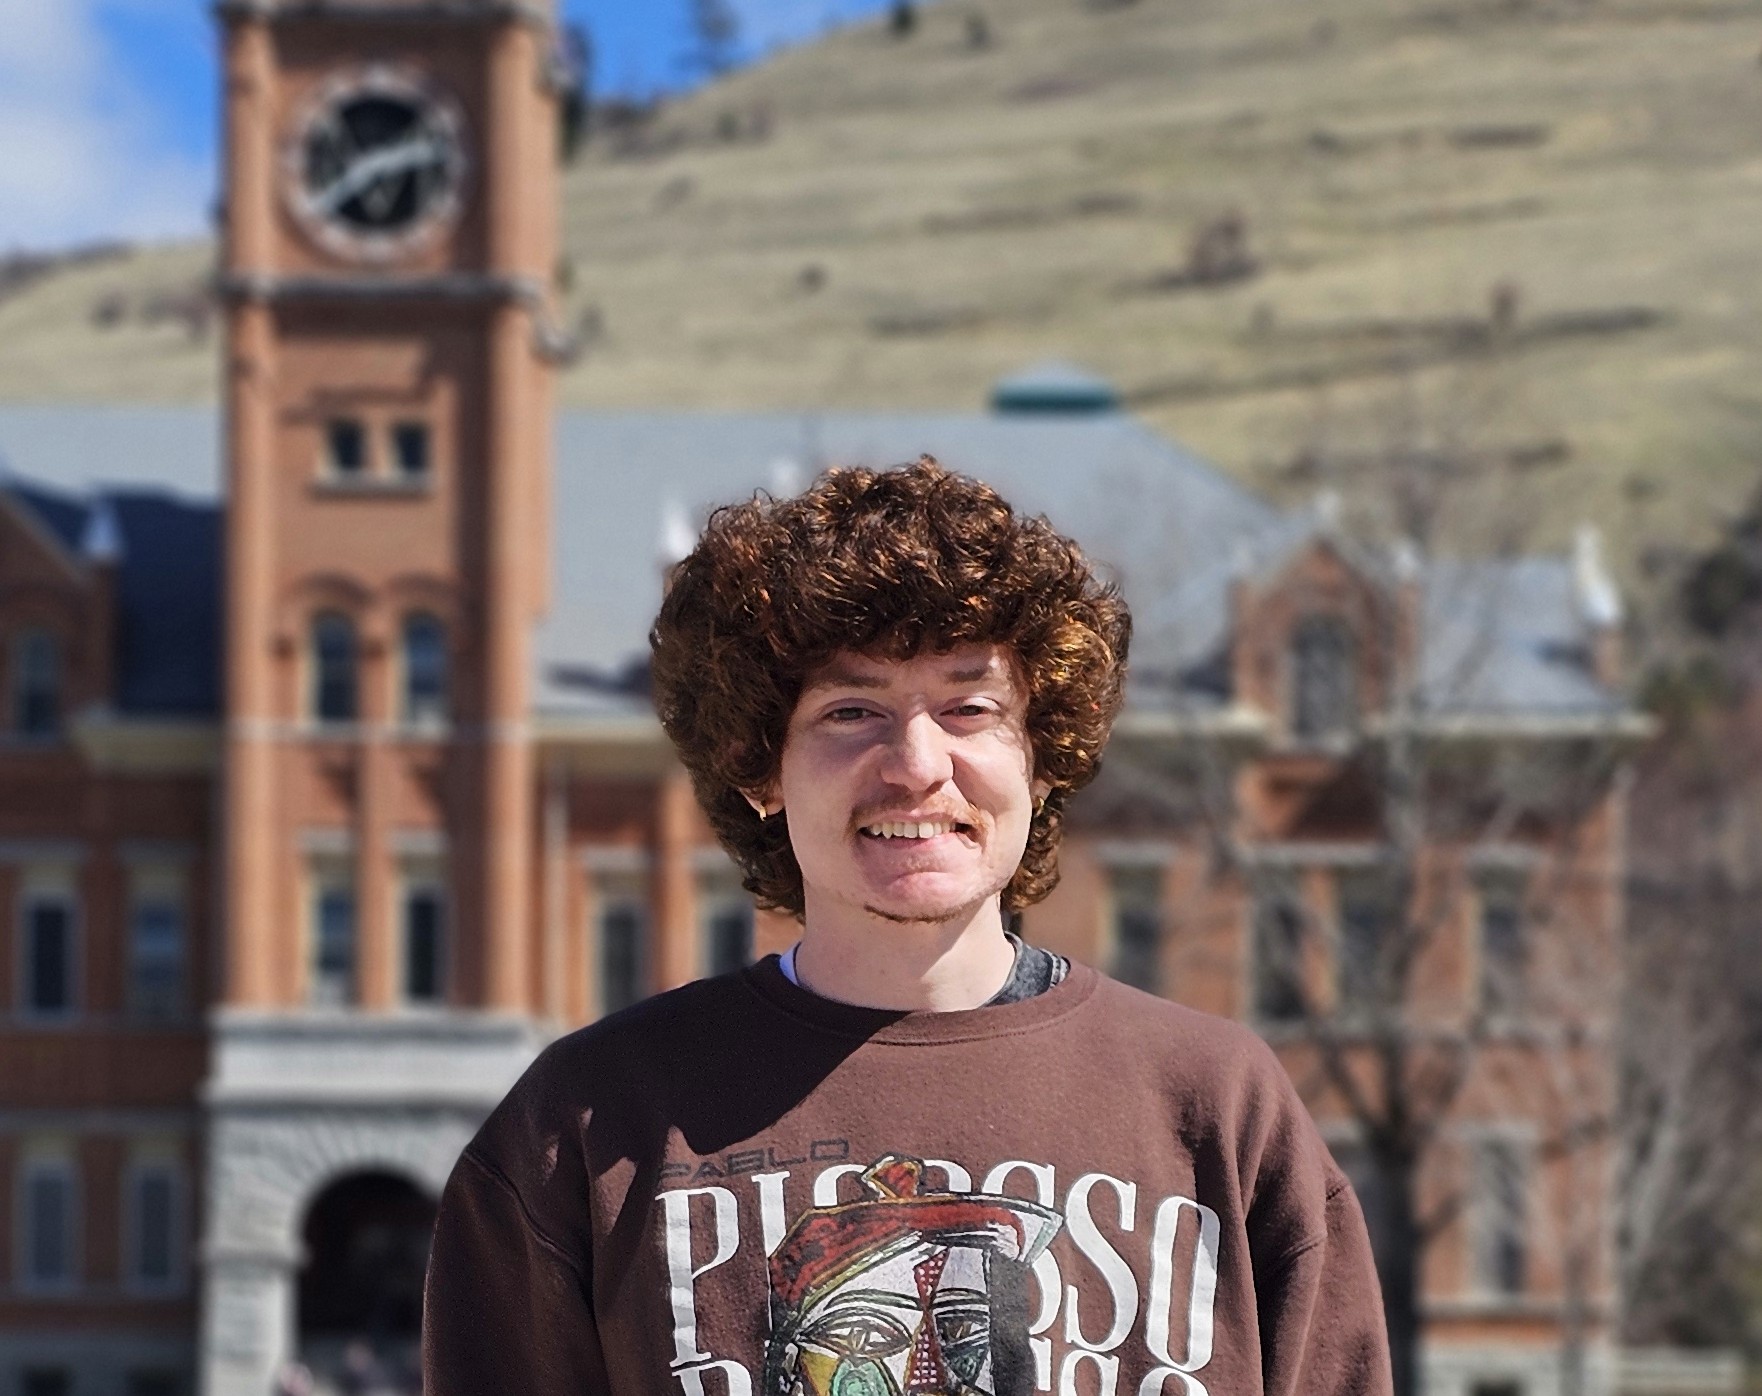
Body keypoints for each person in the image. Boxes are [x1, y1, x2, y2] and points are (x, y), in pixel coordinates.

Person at [422, 457, 1392, 1396]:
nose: (917, 762)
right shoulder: (587, 1126)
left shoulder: (1218, 1111)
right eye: (852, 710)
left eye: (968, 706)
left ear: (1043, 756)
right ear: (759, 768)